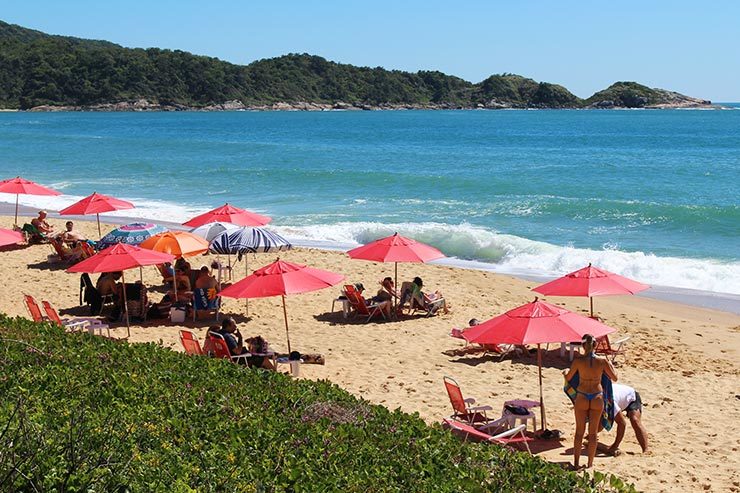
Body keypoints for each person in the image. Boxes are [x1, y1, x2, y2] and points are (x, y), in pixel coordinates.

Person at [563, 333, 618, 470]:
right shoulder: (602, 361)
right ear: (595, 345)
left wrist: (565, 373)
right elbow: (615, 378)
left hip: (582, 396)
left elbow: (569, 378)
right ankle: (590, 464)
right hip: (596, 397)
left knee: (579, 432)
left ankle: (576, 463)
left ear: (582, 346)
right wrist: (611, 365)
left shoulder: (578, 361)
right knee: (593, 433)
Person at [602, 383, 649, 456]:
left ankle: (646, 450)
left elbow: (622, 423)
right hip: (619, 399)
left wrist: (615, 445)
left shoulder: (608, 401)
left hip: (631, 397)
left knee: (635, 420)